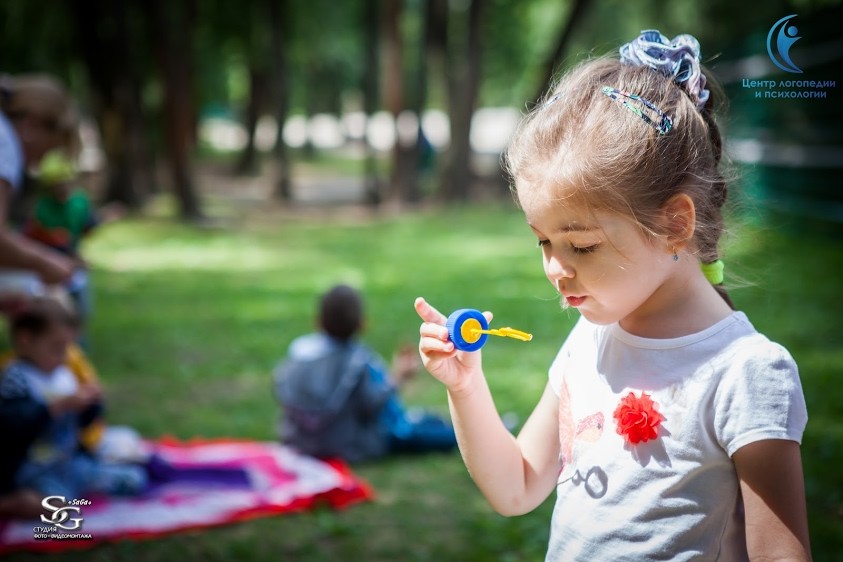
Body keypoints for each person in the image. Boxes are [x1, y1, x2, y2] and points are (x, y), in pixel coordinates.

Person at [415, 30, 810, 560]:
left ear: (674, 224)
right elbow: (517, 486)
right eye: (543, 241)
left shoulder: (745, 374)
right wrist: (465, 387)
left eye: (581, 245)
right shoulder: (590, 340)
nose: (554, 268)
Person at [275, 284, 457, 463]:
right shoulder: (357, 362)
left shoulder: (299, 352)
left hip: (300, 442)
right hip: (350, 445)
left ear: (318, 321)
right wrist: (398, 377)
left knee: (426, 421)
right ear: (362, 324)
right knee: (435, 433)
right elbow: (372, 407)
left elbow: (280, 387)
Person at [0, 297, 145, 518]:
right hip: (34, 471)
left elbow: (83, 424)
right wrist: (54, 407)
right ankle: (10, 503)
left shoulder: (63, 374)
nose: (65, 355)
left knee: (133, 480)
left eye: (68, 347)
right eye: (57, 347)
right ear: (26, 339)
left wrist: (91, 404)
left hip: (71, 463)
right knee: (58, 508)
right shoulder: (16, 378)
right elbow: (10, 424)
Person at [23, 149, 121, 341]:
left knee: (81, 312)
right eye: (56, 185)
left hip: (72, 265)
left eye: (65, 183)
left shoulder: (79, 202)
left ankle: (79, 347)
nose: (62, 189)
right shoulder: (42, 209)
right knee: (56, 313)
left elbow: (86, 226)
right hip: (49, 268)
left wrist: (104, 217)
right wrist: (73, 258)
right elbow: (53, 239)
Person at [0, 74, 75, 312]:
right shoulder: (5, 142)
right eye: (50, 148)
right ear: (32, 124)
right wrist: (46, 263)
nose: (41, 161)